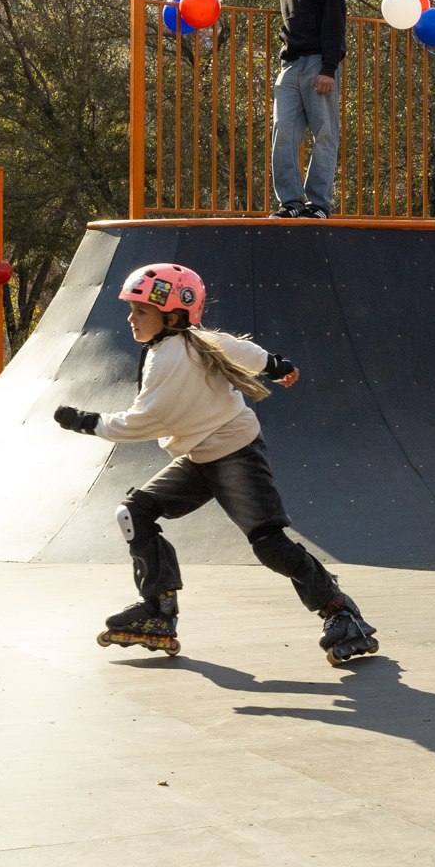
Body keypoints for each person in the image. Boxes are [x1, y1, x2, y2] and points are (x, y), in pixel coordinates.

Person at [53, 262, 377, 666]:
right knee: (134, 512)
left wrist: (89, 423)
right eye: (132, 308)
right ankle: (158, 610)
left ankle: (341, 612)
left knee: (269, 544)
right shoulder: (192, 341)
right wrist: (277, 366)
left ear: (170, 316)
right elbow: (243, 351)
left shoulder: (170, 358)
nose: (130, 318)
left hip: (235, 452)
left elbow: (145, 421)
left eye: (140, 310)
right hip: (198, 457)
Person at [271, 0, 345, 220]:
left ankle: (318, 205)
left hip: (319, 64)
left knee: (325, 134)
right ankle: (291, 202)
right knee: (283, 133)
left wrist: (328, 67)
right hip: (290, 67)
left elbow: (334, 25)